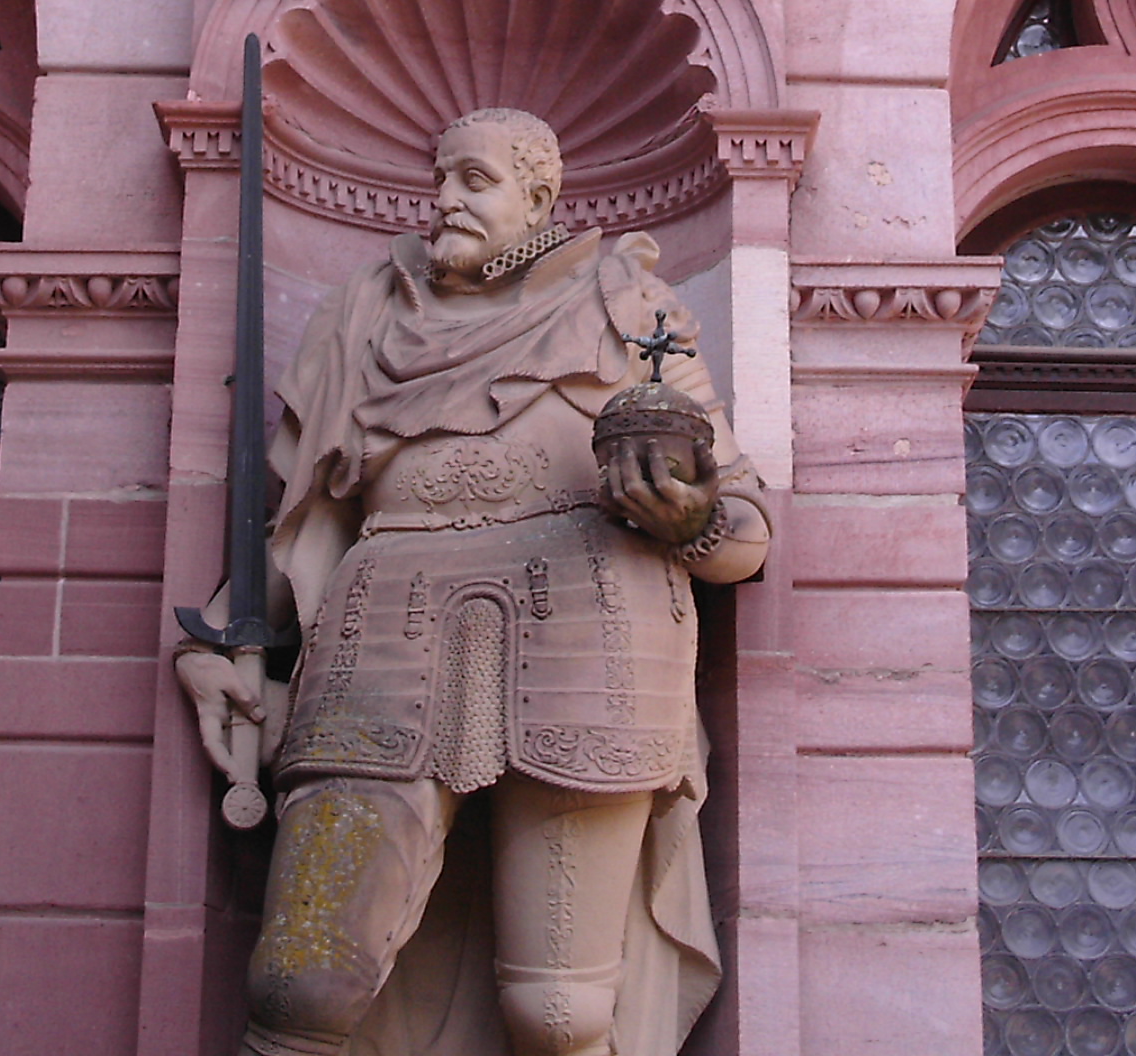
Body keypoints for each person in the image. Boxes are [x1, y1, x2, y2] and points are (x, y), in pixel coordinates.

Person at [174, 106, 770, 1056]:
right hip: (382, 629)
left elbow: (740, 532)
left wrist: (688, 519)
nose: (443, 199)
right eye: (440, 178)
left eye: (473, 181)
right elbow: (310, 514)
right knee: (298, 986)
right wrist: (223, 640)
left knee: (560, 1011)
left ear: (539, 197)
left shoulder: (627, 308)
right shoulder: (370, 310)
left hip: (588, 630)